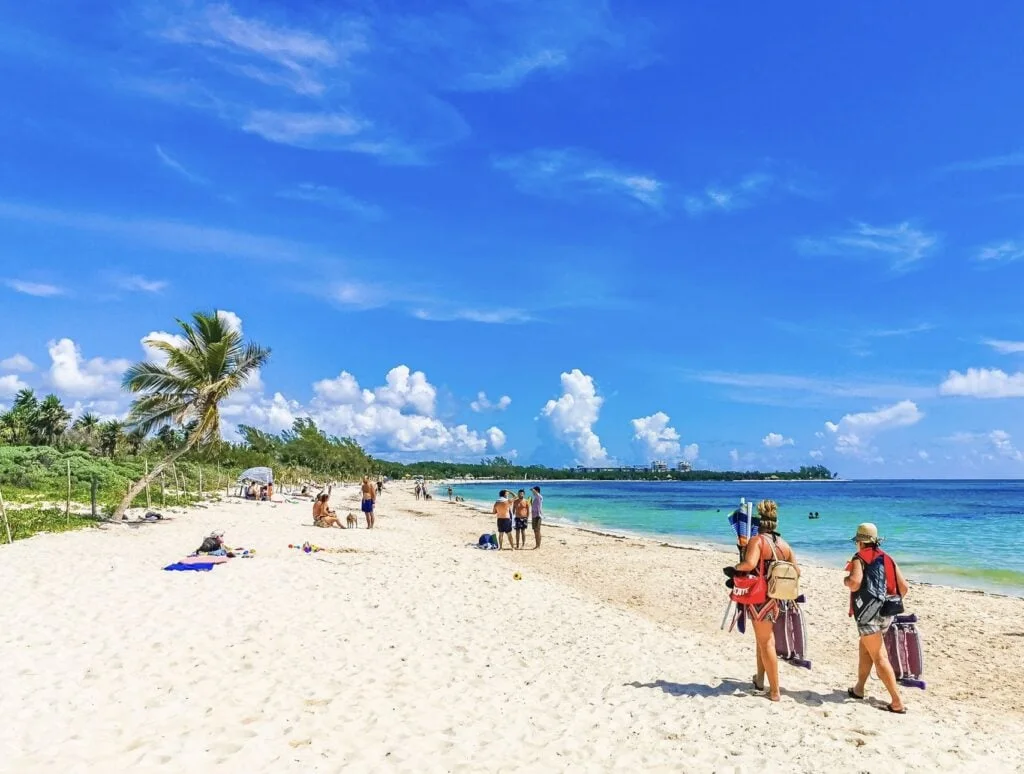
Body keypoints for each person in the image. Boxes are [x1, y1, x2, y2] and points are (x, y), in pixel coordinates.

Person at [733, 499, 799, 702]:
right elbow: (797, 570)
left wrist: (739, 563)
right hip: (777, 597)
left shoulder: (758, 541)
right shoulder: (784, 545)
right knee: (762, 640)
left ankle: (775, 691)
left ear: (758, 523)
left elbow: (749, 564)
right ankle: (760, 680)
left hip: (759, 596)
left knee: (766, 642)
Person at [844, 523, 909, 713]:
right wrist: (885, 603)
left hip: (867, 614)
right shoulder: (888, 558)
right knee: (865, 648)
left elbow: (855, 583)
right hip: (887, 613)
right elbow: (904, 588)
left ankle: (896, 701)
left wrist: (846, 581)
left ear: (860, 542)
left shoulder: (859, 558)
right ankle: (859, 688)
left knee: (879, 656)